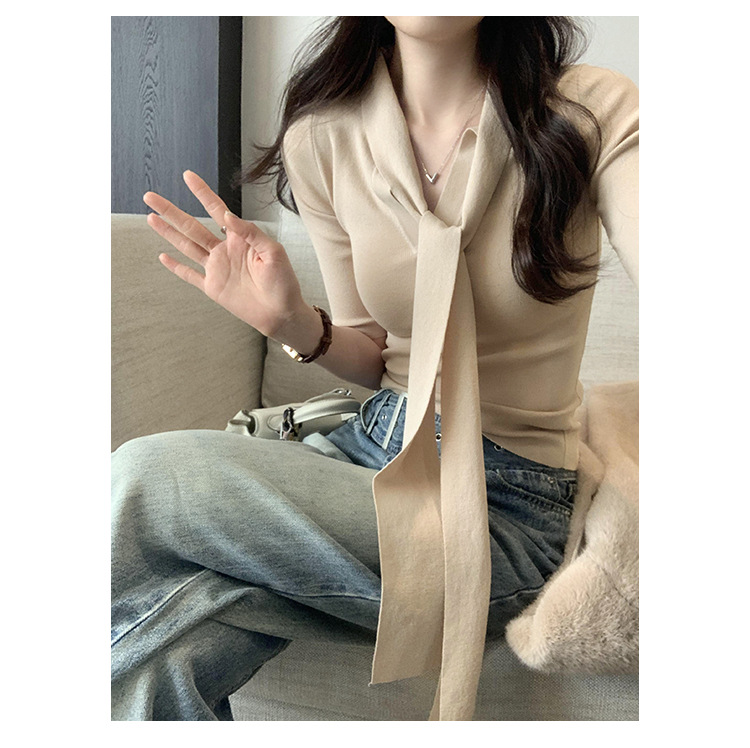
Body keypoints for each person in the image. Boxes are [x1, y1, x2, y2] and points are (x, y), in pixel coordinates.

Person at [111, 16, 638, 720]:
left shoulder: (590, 111)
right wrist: (292, 324)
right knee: (166, 656)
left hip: (505, 502)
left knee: (144, 477)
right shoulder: (322, 136)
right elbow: (377, 349)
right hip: (362, 451)